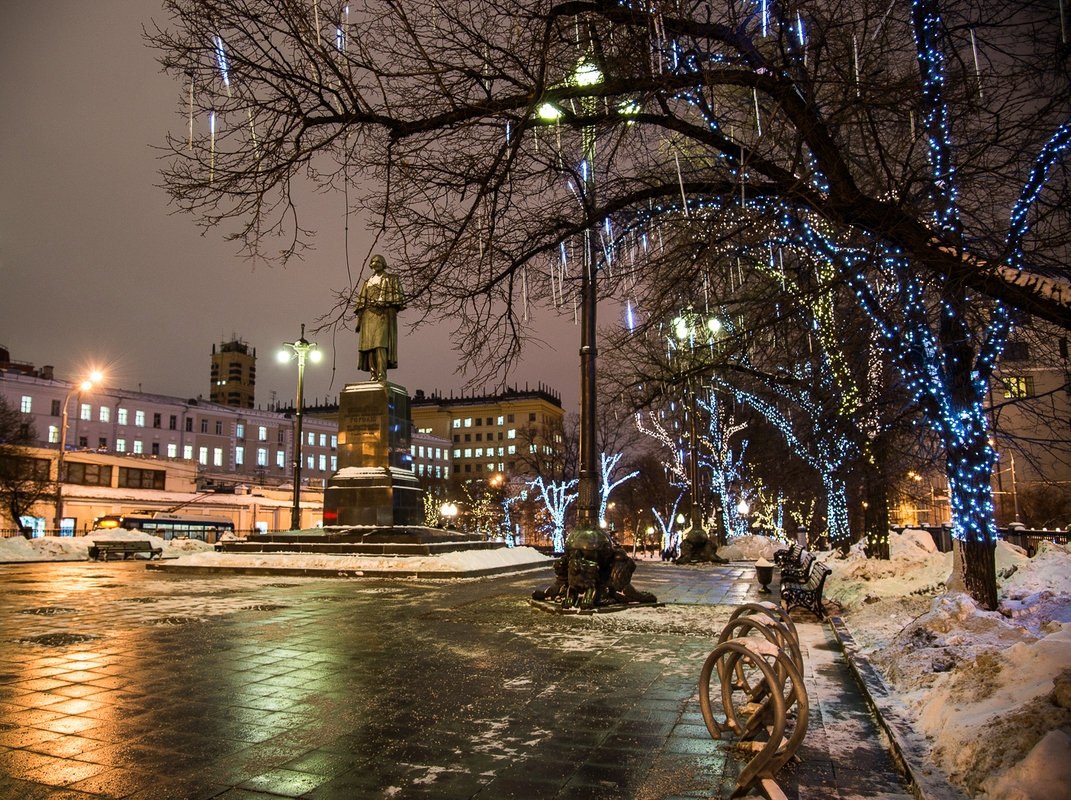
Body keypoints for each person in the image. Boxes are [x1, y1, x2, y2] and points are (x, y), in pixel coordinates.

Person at [354, 254, 405, 381]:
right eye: (373, 262)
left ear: (383, 263)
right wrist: (359, 322)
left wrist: (385, 304)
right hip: (368, 317)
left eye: (378, 261)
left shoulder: (391, 279)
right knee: (369, 347)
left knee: (380, 345)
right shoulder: (367, 282)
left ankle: (382, 374)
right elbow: (361, 303)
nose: (375, 264)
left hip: (383, 316)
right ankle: (373, 374)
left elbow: (399, 298)